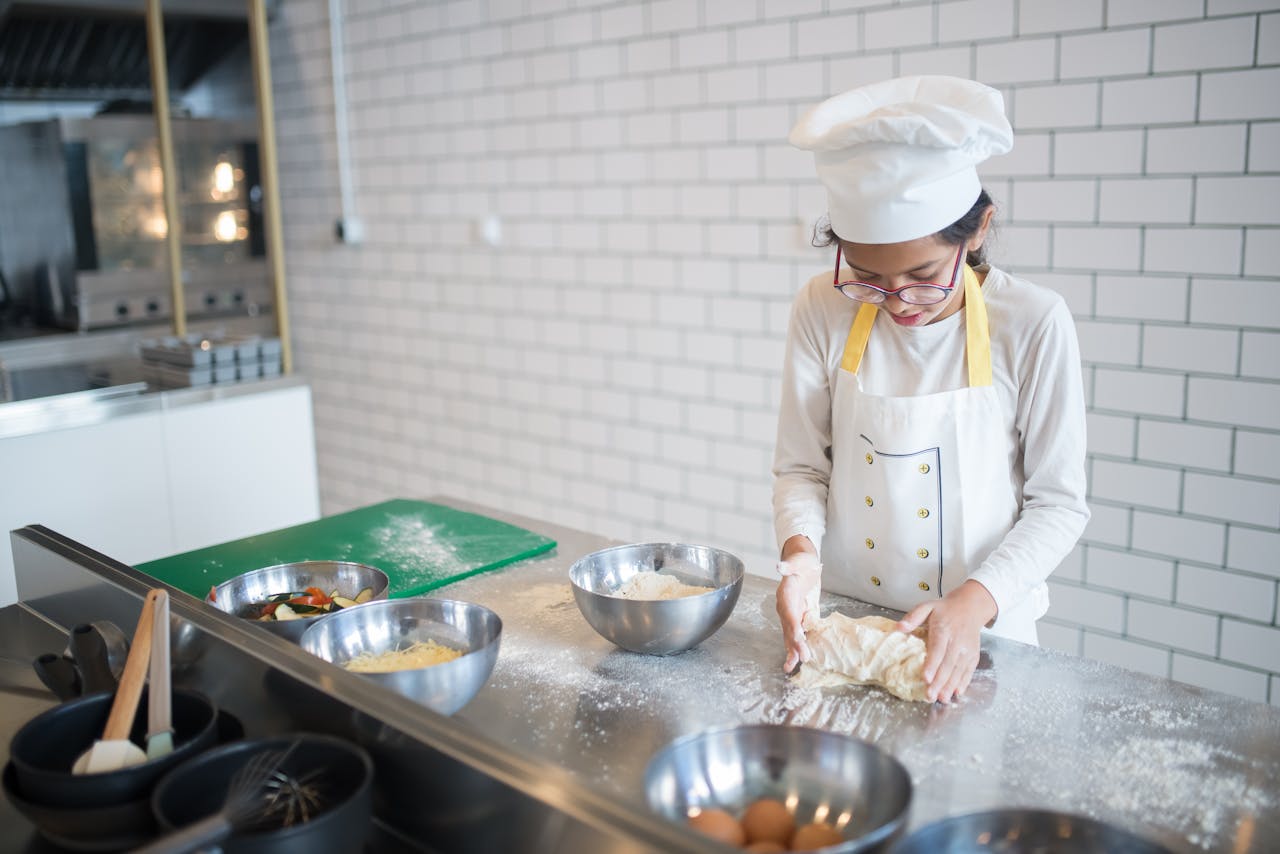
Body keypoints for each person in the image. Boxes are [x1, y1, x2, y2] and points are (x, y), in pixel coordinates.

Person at [773, 76, 1090, 704]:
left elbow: (1059, 505)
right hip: (849, 627)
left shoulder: (1032, 321)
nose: (897, 303)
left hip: (984, 639)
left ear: (976, 232)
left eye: (921, 276)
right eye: (866, 277)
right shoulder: (820, 306)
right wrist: (800, 558)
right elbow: (803, 467)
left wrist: (974, 604)